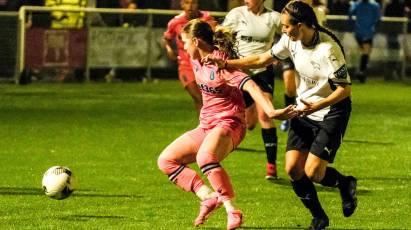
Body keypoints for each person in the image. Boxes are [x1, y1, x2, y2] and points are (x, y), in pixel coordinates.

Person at [204, 1, 358, 229]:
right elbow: (261, 59)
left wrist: (317, 106)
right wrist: (226, 63)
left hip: (331, 111)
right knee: (293, 169)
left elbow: (344, 89)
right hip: (304, 109)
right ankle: (319, 217)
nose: (283, 30)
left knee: (314, 172)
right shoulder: (290, 40)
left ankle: (345, 184)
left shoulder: (328, 49)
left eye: (286, 26)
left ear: (302, 25)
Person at [157, 19, 296, 230]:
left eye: (185, 42)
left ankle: (232, 210)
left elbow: (250, 85)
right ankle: (208, 197)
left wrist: (270, 111)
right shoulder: (196, 60)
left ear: (196, 41)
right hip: (207, 125)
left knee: (205, 157)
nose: (183, 47)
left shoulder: (221, 63)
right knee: (166, 160)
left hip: (230, 123)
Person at [222, 0, 291, 179]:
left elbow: (290, 34)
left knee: (265, 115)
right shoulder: (236, 14)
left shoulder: (274, 17)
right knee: (249, 123)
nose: (246, 0)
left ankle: (271, 166)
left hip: (263, 71)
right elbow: (221, 38)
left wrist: (277, 53)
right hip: (241, 71)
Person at [163, 0, 216, 114]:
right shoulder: (175, 22)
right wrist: (169, 50)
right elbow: (167, 38)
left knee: (208, 98)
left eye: (193, 3)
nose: (190, 6)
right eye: (187, 3)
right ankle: (205, 127)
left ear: (198, 4)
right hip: (186, 65)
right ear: (182, 4)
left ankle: (209, 125)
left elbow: (215, 37)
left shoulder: (207, 18)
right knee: (198, 97)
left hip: (204, 64)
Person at [348, 0, 381, 83]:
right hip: (368, 32)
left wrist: (353, 25)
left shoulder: (357, 4)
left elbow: (350, 14)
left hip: (358, 31)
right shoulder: (374, 5)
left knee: (364, 51)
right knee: (366, 51)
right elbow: (378, 18)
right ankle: (361, 71)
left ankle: (361, 71)